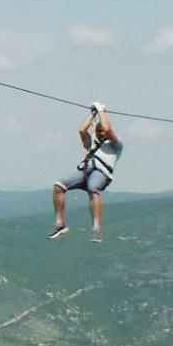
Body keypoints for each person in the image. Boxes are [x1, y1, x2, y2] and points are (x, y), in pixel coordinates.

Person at [51, 102, 121, 242]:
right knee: (59, 185)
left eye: (102, 132)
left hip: (101, 172)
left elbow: (107, 129)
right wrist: (93, 115)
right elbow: (82, 130)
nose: (101, 133)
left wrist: (102, 112)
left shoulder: (116, 144)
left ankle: (96, 229)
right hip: (86, 170)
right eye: (98, 131)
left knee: (93, 188)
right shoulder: (93, 144)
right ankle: (60, 223)